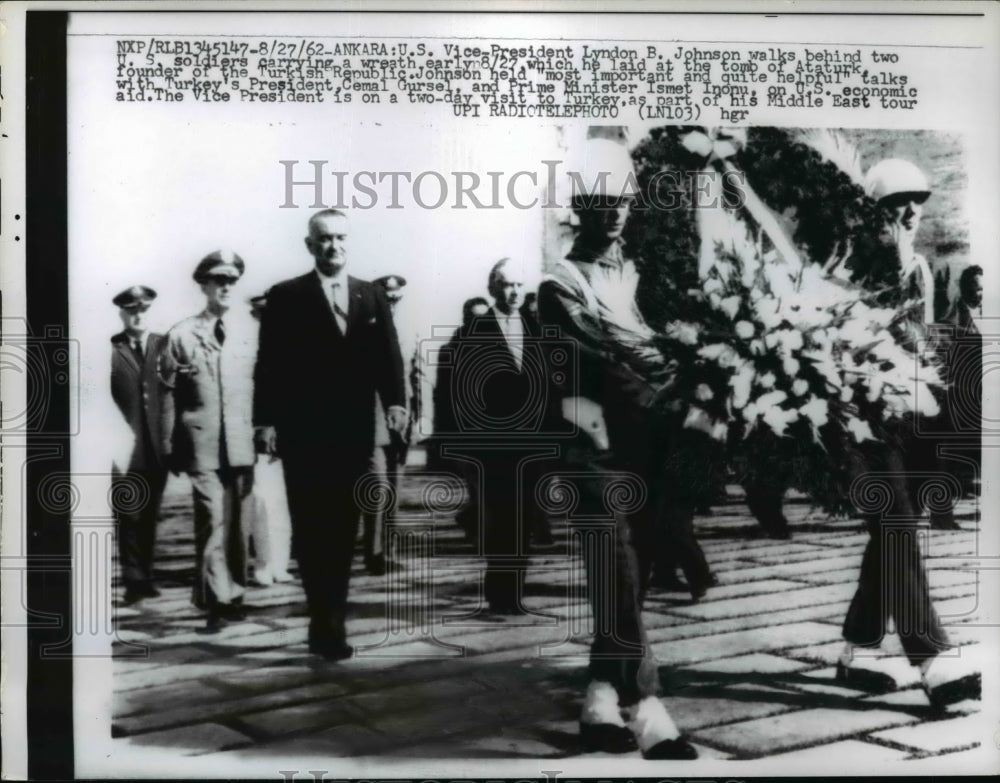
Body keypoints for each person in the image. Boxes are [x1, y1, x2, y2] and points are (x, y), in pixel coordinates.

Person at [537, 138, 696, 759]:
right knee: (619, 569)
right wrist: (669, 376)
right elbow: (601, 363)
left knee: (629, 579)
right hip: (594, 448)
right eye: (605, 202)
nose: (618, 212)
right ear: (581, 206)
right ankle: (647, 708)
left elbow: (680, 338)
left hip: (651, 446)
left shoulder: (641, 274)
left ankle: (600, 693)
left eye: (624, 201)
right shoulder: (559, 284)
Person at [835, 159, 980, 707]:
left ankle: (855, 651)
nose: (911, 212)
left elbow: (923, 338)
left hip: (914, 414)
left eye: (917, 201)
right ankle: (930, 659)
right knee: (895, 523)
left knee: (892, 533)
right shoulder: (847, 268)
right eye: (897, 203)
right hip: (862, 418)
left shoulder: (917, 266)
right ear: (872, 212)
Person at [254, 209, 406, 661]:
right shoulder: (287, 296)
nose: (333, 245)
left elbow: (389, 357)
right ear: (309, 245)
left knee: (343, 529)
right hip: (304, 435)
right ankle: (322, 619)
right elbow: (270, 365)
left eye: (340, 237)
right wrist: (265, 422)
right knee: (311, 529)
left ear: (349, 242)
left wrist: (396, 402)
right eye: (324, 239)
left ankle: (332, 623)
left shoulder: (370, 295)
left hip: (354, 433)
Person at [159, 251, 257, 631]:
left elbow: (263, 386)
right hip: (200, 442)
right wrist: (169, 444)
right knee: (212, 519)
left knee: (238, 523)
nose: (226, 286)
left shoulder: (249, 332)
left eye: (232, 280)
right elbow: (167, 392)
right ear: (203, 285)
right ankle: (218, 598)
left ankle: (234, 592)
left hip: (241, 440)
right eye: (219, 280)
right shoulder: (181, 335)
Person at [457, 258, 551, 613]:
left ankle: (514, 592)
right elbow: (459, 389)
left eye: (519, 286)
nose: (514, 292)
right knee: (498, 517)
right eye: (507, 285)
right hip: (491, 443)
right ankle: (499, 591)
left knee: (525, 517)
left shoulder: (535, 328)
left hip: (531, 442)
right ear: (493, 287)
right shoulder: (474, 331)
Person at [110, 285, 169, 605]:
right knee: (129, 514)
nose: (137, 315)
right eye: (131, 310)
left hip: (157, 448)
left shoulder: (164, 346)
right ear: (122, 313)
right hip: (123, 448)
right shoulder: (109, 349)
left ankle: (146, 576)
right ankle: (133, 579)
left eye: (143, 309)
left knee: (150, 513)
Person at [362, 274, 412, 575]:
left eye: (397, 299)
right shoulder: (367, 331)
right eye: (387, 298)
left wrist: (422, 416)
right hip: (375, 420)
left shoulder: (409, 330)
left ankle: (388, 550)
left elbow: (420, 376)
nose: (392, 304)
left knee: (394, 487)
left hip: (404, 422)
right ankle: (374, 553)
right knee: (376, 486)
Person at [245, 294, 293, 585]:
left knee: (284, 504)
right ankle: (262, 563)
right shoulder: (247, 346)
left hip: (290, 434)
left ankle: (280, 562)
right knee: (262, 501)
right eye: (261, 314)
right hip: (257, 434)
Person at [941, 264, 983, 499]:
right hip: (964, 382)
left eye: (983, 290)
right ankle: (961, 480)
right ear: (965, 287)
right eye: (976, 289)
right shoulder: (955, 313)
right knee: (964, 433)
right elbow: (947, 341)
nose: (980, 294)